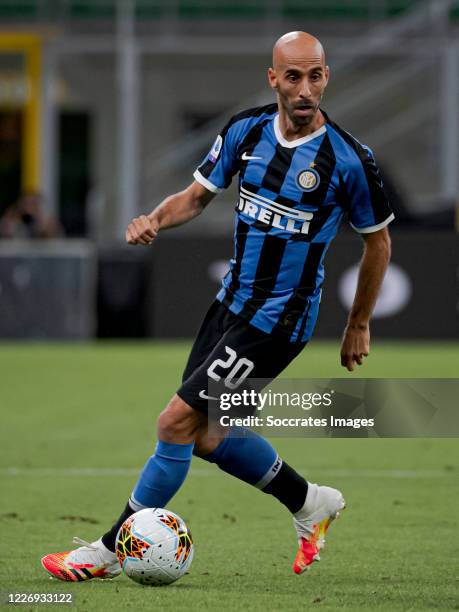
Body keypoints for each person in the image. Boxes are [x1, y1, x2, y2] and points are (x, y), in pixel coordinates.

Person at [41, 31, 393, 581]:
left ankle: (109, 551)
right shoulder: (245, 132)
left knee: (175, 422)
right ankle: (310, 503)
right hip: (230, 305)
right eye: (293, 76)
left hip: (278, 318)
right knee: (206, 435)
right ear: (272, 77)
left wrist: (359, 323)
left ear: (327, 77)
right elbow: (196, 195)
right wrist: (156, 218)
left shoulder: (348, 160)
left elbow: (379, 240)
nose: (305, 88)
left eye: (316, 75)